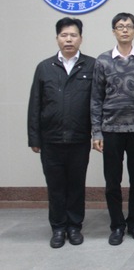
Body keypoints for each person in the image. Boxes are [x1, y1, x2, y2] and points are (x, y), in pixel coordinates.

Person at [28, 17, 95, 248]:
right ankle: (58, 228)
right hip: (51, 139)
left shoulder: (91, 66)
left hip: (79, 138)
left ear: (81, 38)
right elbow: (35, 104)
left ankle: (74, 227)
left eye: (73, 35)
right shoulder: (44, 67)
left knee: (76, 185)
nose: (68, 39)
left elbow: (97, 103)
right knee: (55, 186)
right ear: (57, 38)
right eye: (64, 35)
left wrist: (97, 134)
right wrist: (34, 137)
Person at [91, 13, 134, 245]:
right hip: (111, 131)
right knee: (112, 182)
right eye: (120, 26)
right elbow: (96, 99)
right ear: (114, 31)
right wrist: (96, 131)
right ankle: (117, 225)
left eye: (128, 26)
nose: (124, 30)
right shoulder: (103, 61)